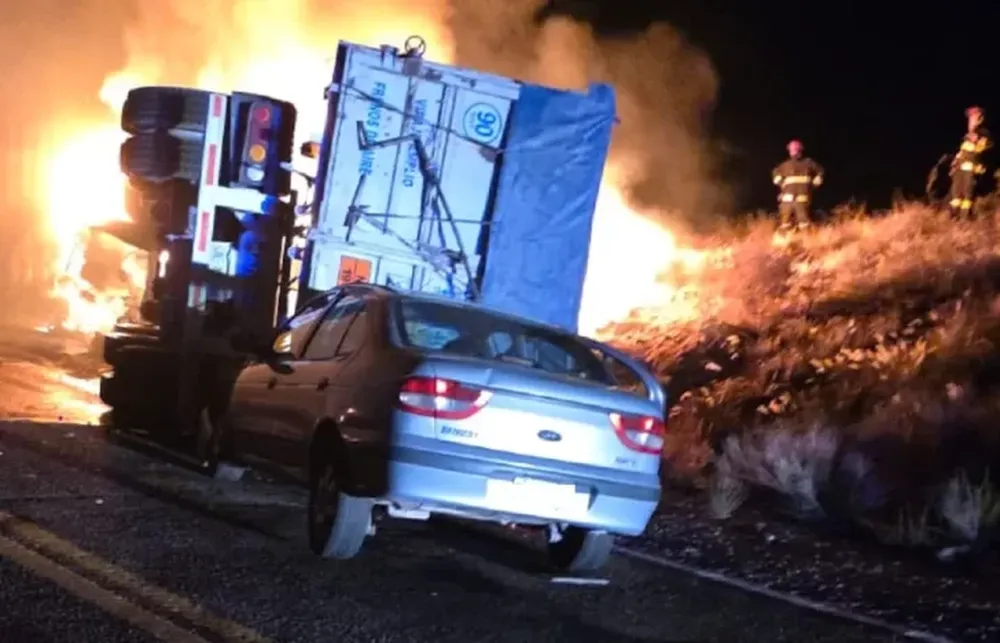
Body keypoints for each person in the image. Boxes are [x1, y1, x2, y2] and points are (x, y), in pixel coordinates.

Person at [948, 106, 992, 219]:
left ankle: (965, 218)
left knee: (967, 195)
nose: (971, 119)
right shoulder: (967, 135)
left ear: (980, 118)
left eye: (974, 116)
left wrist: (976, 140)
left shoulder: (983, 133)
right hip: (960, 168)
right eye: (970, 116)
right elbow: (963, 150)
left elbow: (983, 150)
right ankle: (953, 217)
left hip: (971, 168)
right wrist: (955, 163)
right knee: (956, 195)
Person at [771, 140, 825, 227]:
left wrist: (814, 184)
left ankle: (803, 234)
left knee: (802, 223)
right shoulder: (785, 165)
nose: (794, 152)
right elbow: (775, 174)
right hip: (788, 199)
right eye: (793, 150)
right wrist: (780, 183)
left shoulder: (808, 163)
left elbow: (820, 172)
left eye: (795, 150)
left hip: (800, 199)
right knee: (786, 223)